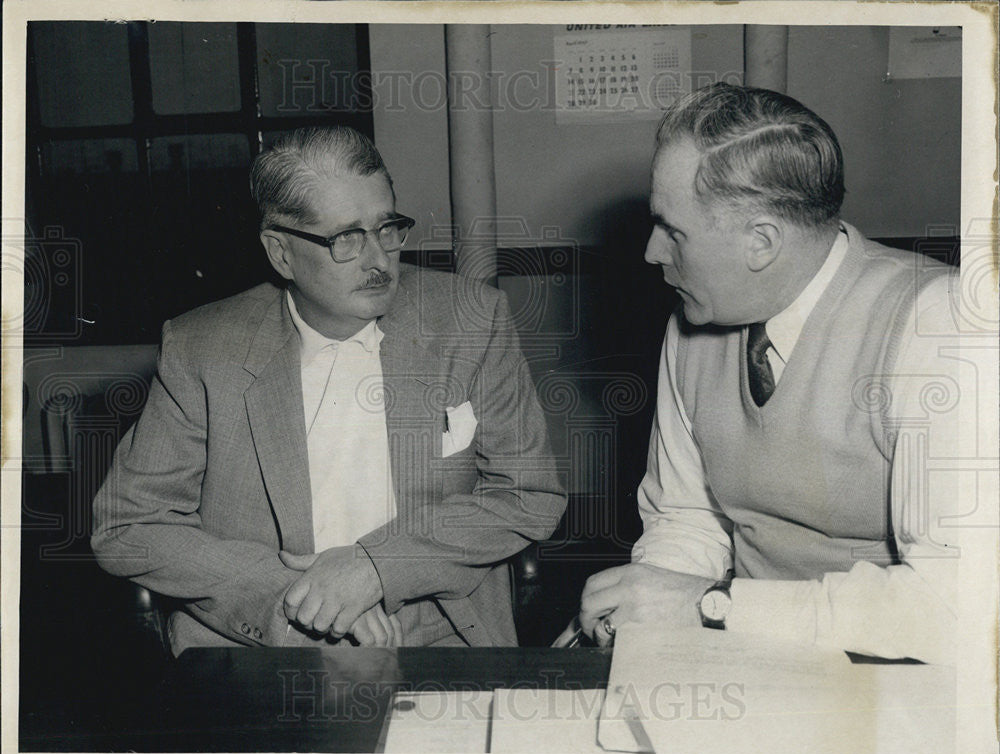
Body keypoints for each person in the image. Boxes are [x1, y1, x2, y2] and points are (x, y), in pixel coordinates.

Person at [92, 126, 565, 653]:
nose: (379, 260)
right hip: (261, 641)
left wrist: (376, 568)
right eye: (346, 238)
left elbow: (528, 494)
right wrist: (295, 598)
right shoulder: (202, 347)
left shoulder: (470, 320)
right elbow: (128, 524)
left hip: (440, 630)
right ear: (281, 253)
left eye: (387, 228)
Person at [561, 83, 964, 665]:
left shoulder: (941, 327)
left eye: (672, 230)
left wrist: (711, 607)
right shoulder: (692, 324)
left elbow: (955, 607)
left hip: (897, 680)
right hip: (744, 651)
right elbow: (687, 517)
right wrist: (640, 610)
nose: (651, 252)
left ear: (761, 242)